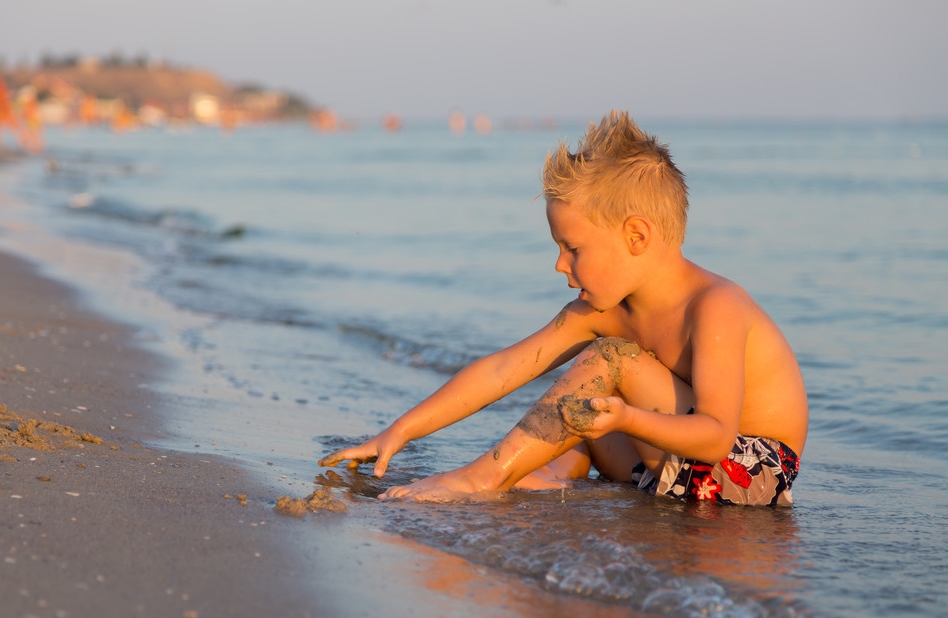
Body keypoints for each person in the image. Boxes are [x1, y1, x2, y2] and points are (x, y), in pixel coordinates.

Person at [320, 111, 808, 506]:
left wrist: (626, 420)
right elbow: (504, 369)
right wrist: (399, 430)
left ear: (636, 236)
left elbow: (717, 437)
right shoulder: (602, 308)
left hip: (746, 472)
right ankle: (552, 476)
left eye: (573, 248)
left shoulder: (715, 306)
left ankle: (483, 478)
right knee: (584, 397)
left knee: (609, 361)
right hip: (664, 460)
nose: (559, 264)